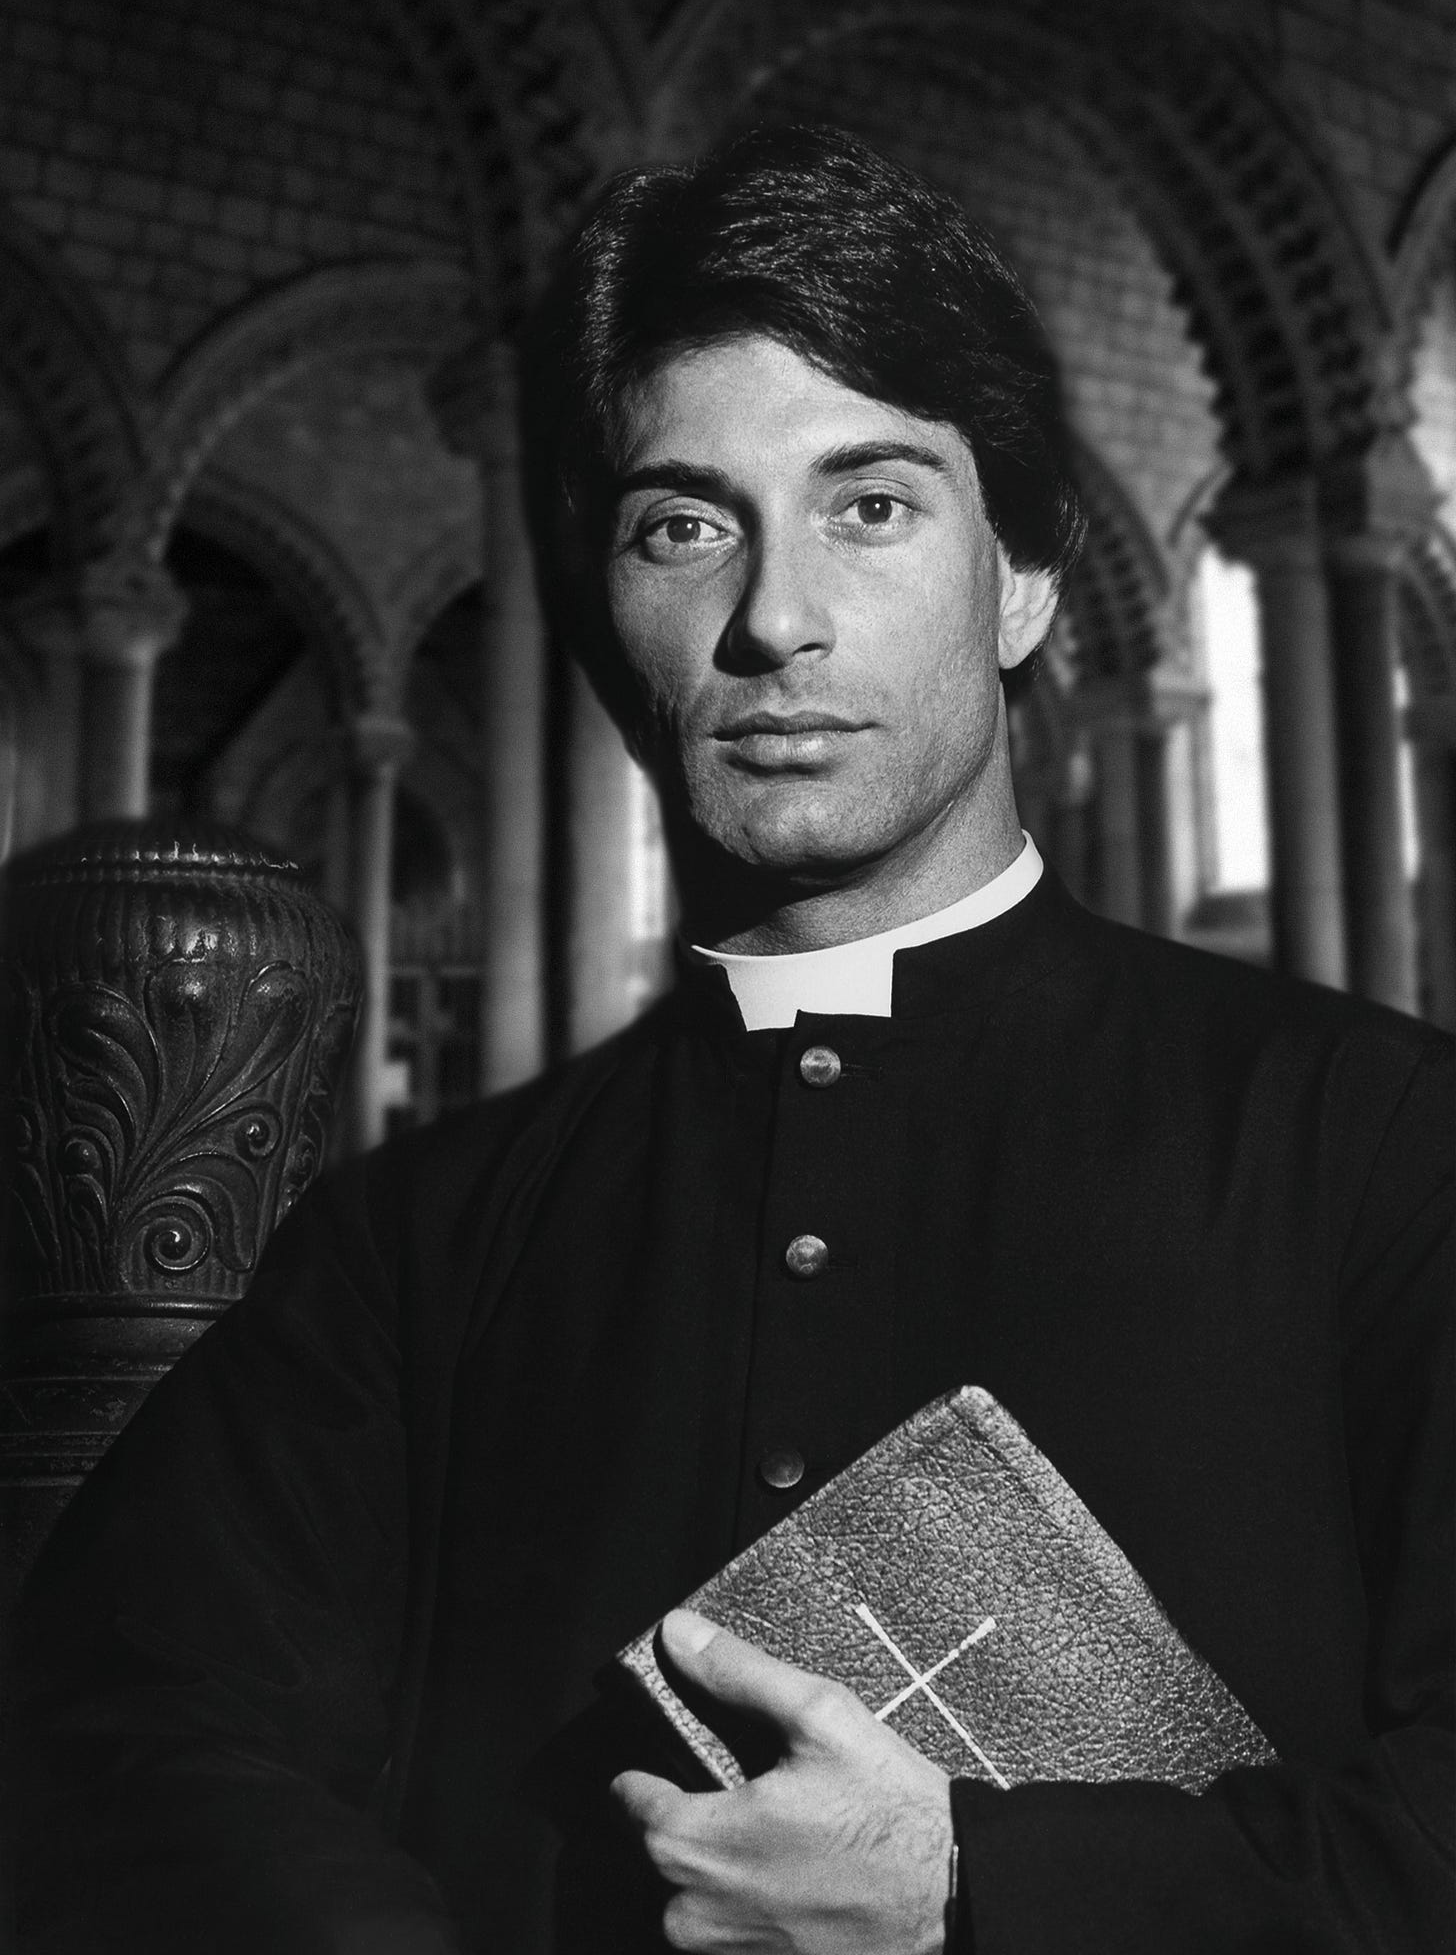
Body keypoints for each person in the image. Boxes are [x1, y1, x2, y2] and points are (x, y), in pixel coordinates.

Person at [11, 125, 1452, 1955]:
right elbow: (133, 1725)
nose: (775, 619)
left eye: (872, 504)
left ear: (1021, 581)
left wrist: (981, 1892)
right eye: (686, 525)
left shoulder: (1382, 1147)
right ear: (614, 610)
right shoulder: (419, 1246)